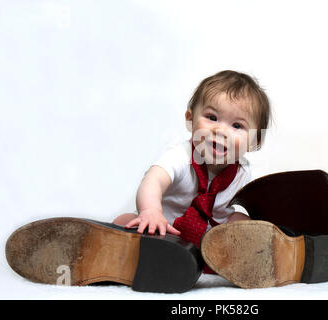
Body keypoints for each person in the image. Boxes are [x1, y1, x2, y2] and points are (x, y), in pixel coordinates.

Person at [112, 70, 272, 248]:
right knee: (125, 221)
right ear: (190, 120)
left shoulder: (243, 173)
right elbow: (154, 180)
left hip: (210, 241)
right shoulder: (181, 155)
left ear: (253, 141)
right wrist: (150, 211)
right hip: (163, 230)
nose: (220, 131)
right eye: (212, 118)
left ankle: (226, 260)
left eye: (237, 126)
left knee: (243, 222)